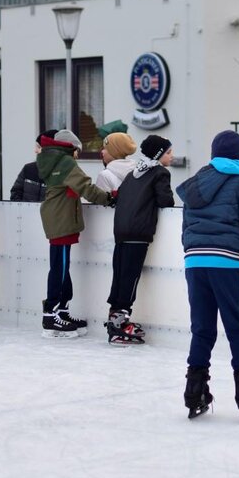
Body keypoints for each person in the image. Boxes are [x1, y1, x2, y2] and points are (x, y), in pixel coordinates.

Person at [176, 130, 239, 421]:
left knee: (202, 328)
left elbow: (185, 227)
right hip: (227, 264)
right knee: (237, 326)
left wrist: (193, 252)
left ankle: (194, 392)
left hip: (195, 262)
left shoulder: (196, 183)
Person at [36, 128, 114, 338]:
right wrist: (110, 199)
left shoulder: (54, 161)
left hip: (58, 217)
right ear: (70, 148)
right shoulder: (66, 163)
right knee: (59, 268)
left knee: (62, 267)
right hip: (60, 220)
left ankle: (62, 310)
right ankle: (51, 314)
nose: (78, 155)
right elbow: (86, 187)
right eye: (77, 150)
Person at [104, 135, 175, 345]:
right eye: (169, 152)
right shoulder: (160, 173)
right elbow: (166, 200)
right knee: (131, 278)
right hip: (138, 233)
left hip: (121, 232)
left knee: (119, 276)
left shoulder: (132, 174)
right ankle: (120, 324)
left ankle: (114, 318)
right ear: (159, 154)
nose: (172, 156)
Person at [9, 130, 54, 202]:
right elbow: (15, 192)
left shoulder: (59, 173)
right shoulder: (28, 169)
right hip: (25, 213)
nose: (35, 150)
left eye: (39, 147)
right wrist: (22, 210)